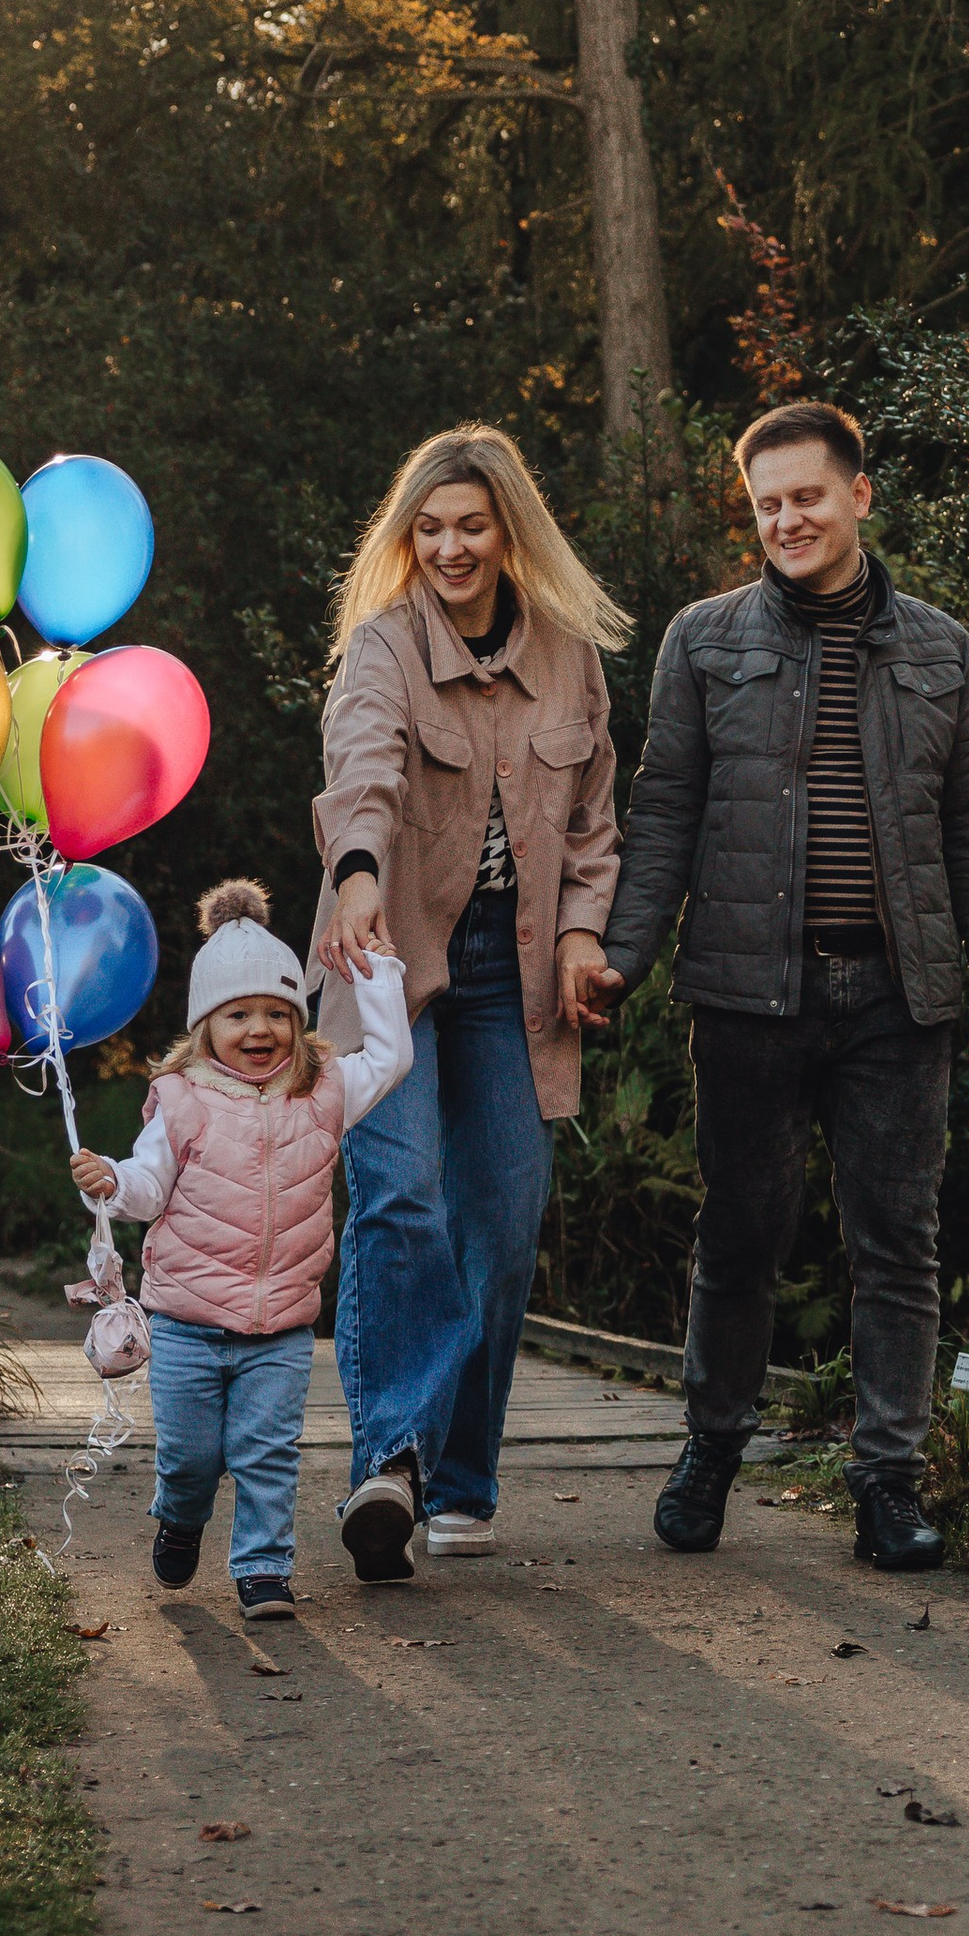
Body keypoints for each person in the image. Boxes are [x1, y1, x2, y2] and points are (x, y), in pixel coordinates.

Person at [591, 399, 969, 1575]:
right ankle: (710, 1452)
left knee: (897, 1245)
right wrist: (622, 956)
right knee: (740, 1234)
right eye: (767, 503)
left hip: (900, 997)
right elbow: (664, 810)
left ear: (858, 497)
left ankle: (888, 1481)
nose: (786, 518)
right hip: (745, 990)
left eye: (807, 496)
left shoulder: (940, 648)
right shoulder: (704, 640)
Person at [312, 425, 626, 1583]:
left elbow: (592, 822)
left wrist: (586, 943)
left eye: (470, 525)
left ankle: (462, 1478)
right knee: (402, 1195)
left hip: (517, 966)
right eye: (427, 528)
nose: (448, 546)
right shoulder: (382, 647)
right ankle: (385, 1464)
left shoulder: (568, 658)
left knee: (500, 1220)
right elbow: (364, 770)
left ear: (509, 534)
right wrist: (352, 882)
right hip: (382, 952)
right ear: (409, 539)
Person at [73, 879, 411, 1627]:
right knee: (192, 1459)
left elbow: (390, 1059)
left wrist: (379, 974)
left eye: (275, 1013)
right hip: (189, 1324)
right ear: (205, 1026)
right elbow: (148, 1184)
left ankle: (263, 1569)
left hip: (281, 1331)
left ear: (296, 1018)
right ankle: (182, 1517)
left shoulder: (325, 1092)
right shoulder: (182, 1098)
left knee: (266, 1455)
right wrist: (111, 1183)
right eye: (237, 1014)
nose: (258, 1029)